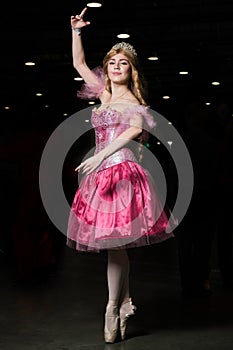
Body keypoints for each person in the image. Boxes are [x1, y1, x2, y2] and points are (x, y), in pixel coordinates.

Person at [66, 7, 175, 344]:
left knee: (115, 245)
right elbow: (80, 65)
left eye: (122, 63)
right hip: (101, 176)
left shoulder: (132, 99)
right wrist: (76, 32)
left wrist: (99, 154)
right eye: (112, 62)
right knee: (116, 248)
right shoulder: (104, 93)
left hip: (122, 173)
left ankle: (113, 307)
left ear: (131, 70)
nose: (115, 67)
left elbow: (136, 130)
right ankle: (122, 304)